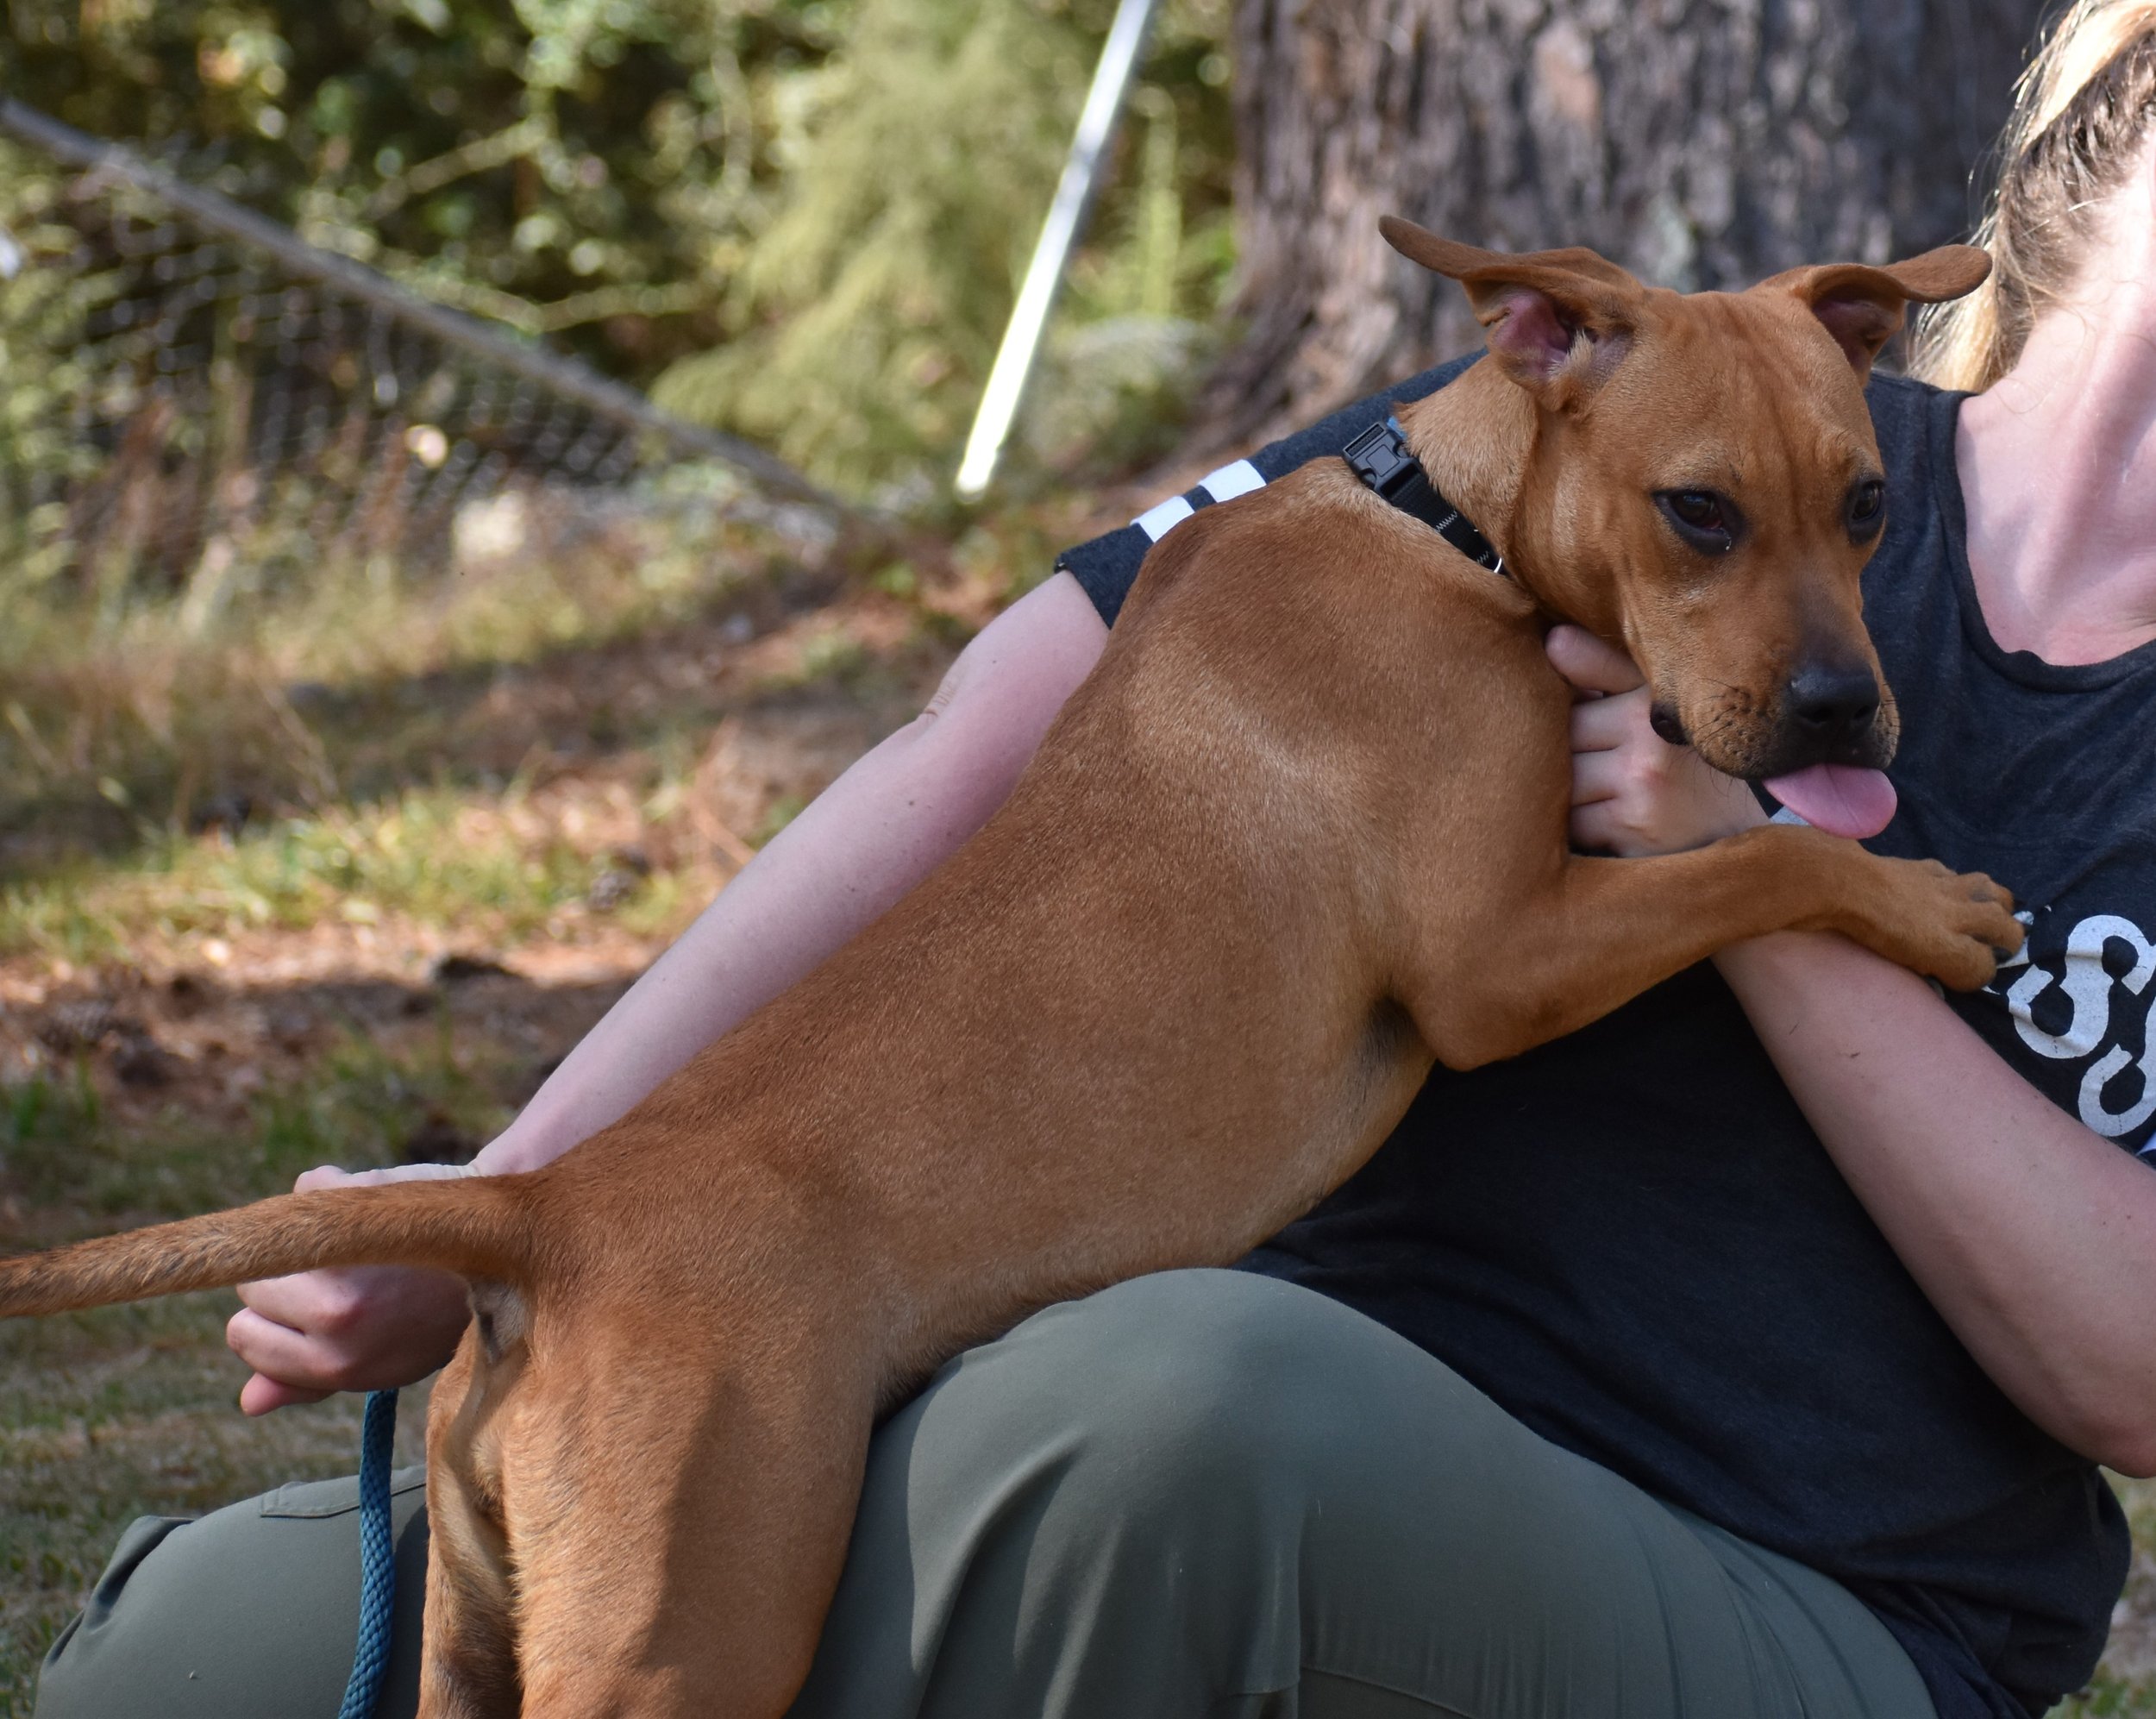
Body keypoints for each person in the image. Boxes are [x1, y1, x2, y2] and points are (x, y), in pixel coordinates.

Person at [34, 3, 2156, 1714]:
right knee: (195, 1661)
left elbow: (2126, 1367)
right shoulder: (1662, 421)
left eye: (1830, 541)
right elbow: (986, 740)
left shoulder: (1729, 514)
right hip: (1073, 1409)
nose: (1806, 591)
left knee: (1172, 1416)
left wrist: (1755, 869)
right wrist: (515, 1195)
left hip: (1738, 1564)